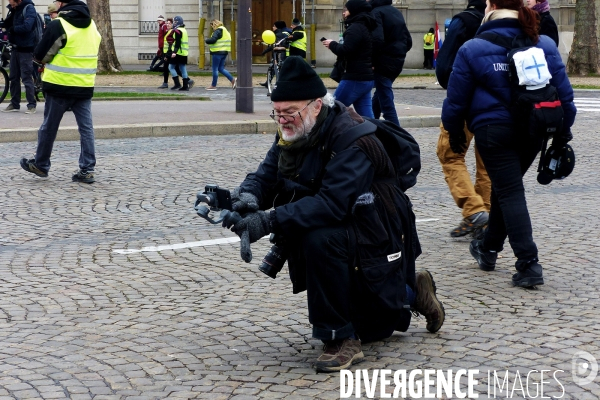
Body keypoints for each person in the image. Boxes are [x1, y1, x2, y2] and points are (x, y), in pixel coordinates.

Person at [225, 56, 445, 372]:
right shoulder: (297, 131)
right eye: (278, 113)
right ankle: (413, 290)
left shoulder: (353, 139)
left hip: (376, 228)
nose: (283, 120)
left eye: (290, 113)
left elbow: (331, 204)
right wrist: (247, 197)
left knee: (320, 240)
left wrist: (269, 220)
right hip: (345, 224)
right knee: (360, 294)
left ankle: (341, 339)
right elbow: (267, 174)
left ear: (316, 106)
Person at [441, 0, 576, 287]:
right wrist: (564, 133)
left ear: (490, 6)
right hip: (534, 128)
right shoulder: (545, 45)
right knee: (507, 187)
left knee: (510, 190)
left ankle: (528, 263)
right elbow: (566, 97)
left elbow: (455, 101)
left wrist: (453, 132)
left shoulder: (473, 49)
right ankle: (488, 249)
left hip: (493, 130)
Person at [19, 0, 101, 184]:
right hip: (84, 86)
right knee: (86, 129)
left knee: (49, 128)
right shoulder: (92, 25)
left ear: (63, 4)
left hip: (59, 86)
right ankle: (87, 169)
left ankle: (41, 165)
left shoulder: (59, 24)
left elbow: (41, 54)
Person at [435, 0, 491, 239]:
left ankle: (475, 210)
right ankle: (484, 218)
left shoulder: (464, 21)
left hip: (466, 100)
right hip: (495, 103)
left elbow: (446, 63)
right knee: (486, 163)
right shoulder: (501, 23)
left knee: (449, 153)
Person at [322, 0, 376, 118]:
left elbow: (346, 50)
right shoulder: (365, 26)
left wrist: (332, 44)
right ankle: (376, 135)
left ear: (353, 11)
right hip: (365, 77)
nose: (344, 13)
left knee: (332, 111)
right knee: (367, 117)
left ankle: (326, 136)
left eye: (346, 10)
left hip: (354, 77)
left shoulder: (355, 28)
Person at [369, 0, 412, 127]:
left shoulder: (376, 12)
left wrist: (372, 60)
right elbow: (408, 40)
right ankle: (370, 125)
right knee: (380, 95)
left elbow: (377, 39)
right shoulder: (396, 12)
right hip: (397, 59)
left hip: (383, 61)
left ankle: (399, 136)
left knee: (387, 105)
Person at [2, 0, 38, 115]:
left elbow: (27, 26)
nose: (11, 5)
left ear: (19, 0)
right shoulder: (15, 9)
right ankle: (14, 103)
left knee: (26, 77)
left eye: (12, 3)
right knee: (13, 77)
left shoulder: (29, 8)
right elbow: (8, 23)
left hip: (26, 48)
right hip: (15, 47)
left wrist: (13, 29)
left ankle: (31, 104)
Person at [205, 20, 236, 91]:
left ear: (215, 25)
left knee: (215, 69)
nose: (212, 27)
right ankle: (232, 80)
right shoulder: (225, 31)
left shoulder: (218, 31)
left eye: (212, 26)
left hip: (217, 52)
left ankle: (213, 85)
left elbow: (213, 40)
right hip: (224, 52)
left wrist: (206, 40)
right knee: (221, 68)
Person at [167, 16, 194, 91]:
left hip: (178, 52)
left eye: (174, 22)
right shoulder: (184, 30)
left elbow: (178, 43)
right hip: (184, 52)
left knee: (171, 67)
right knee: (183, 68)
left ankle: (177, 84)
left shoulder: (177, 30)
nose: (174, 23)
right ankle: (185, 86)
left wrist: (174, 52)